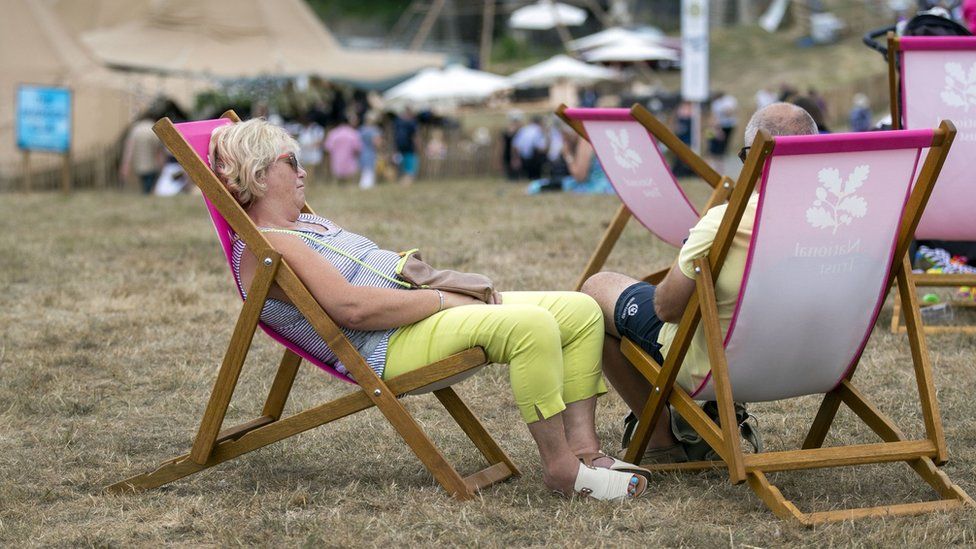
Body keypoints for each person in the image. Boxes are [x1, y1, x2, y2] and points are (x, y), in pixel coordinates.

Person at [207, 118, 649, 500]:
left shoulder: (302, 223)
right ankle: (562, 469)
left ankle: (586, 451)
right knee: (531, 325)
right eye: (291, 162)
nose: (304, 172)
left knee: (580, 310)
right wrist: (443, 298)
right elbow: (353, 309)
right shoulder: (270, 245)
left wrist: (439, 291)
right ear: (259, 174)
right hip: (389, 343)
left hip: (416, 316)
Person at [580, 103, 818, 460]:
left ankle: (660, 441)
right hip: (812, 363)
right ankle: (707, 418)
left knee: (595, 291)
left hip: (720, 366)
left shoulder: (727, 221)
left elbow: (667, 308)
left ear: (753, 157)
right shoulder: (851, 222)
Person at [526, 128, 613, 195]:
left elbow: (580, 177)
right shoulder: (591, 136)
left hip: (597, 186)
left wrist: (568, 155)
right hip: (608, 185)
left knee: (535, 187)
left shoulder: (585, 139)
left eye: (564, 135)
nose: (563, 139)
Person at [120, 114, 164, 194]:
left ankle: (145, 194)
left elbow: (129, 149)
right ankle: (147, 195)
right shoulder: (153, 129)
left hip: (139, 164)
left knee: (144, 183)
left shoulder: (135, 130)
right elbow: (158, 149)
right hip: (152, 164)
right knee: (149, 185)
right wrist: (161, 164)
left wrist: (125, 165)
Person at [323, 114, 361, 184]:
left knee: (338, 181)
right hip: (350, 161)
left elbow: (327, 148)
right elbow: (357, 148)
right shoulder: (353, 133)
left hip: (336, 161)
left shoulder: (333, 133)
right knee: (349, 182)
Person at [511, 115, 547, 180]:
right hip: (534, 158)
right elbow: (540, 147)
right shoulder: (538, 130)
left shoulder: (523, 129)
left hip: (522, 157)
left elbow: (515, 145)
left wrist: (515, 158)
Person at [393, 107, 421, 185]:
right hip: (408, 147)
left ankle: (404, 180)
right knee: (409, 165)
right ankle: (406, 181)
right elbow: (415, 136)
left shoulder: (398, 122)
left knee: (404, 164)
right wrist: (418, 145)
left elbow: (396, 136)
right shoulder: (411, 123)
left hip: (402, 147)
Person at [358, 110, 383, 190]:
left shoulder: (361, 129)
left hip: (361, 153)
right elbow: (377, 142)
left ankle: (364, 186)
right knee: (369, 172)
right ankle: (366, 187)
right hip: (370, 153)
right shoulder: (374, 130)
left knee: (364, 171)